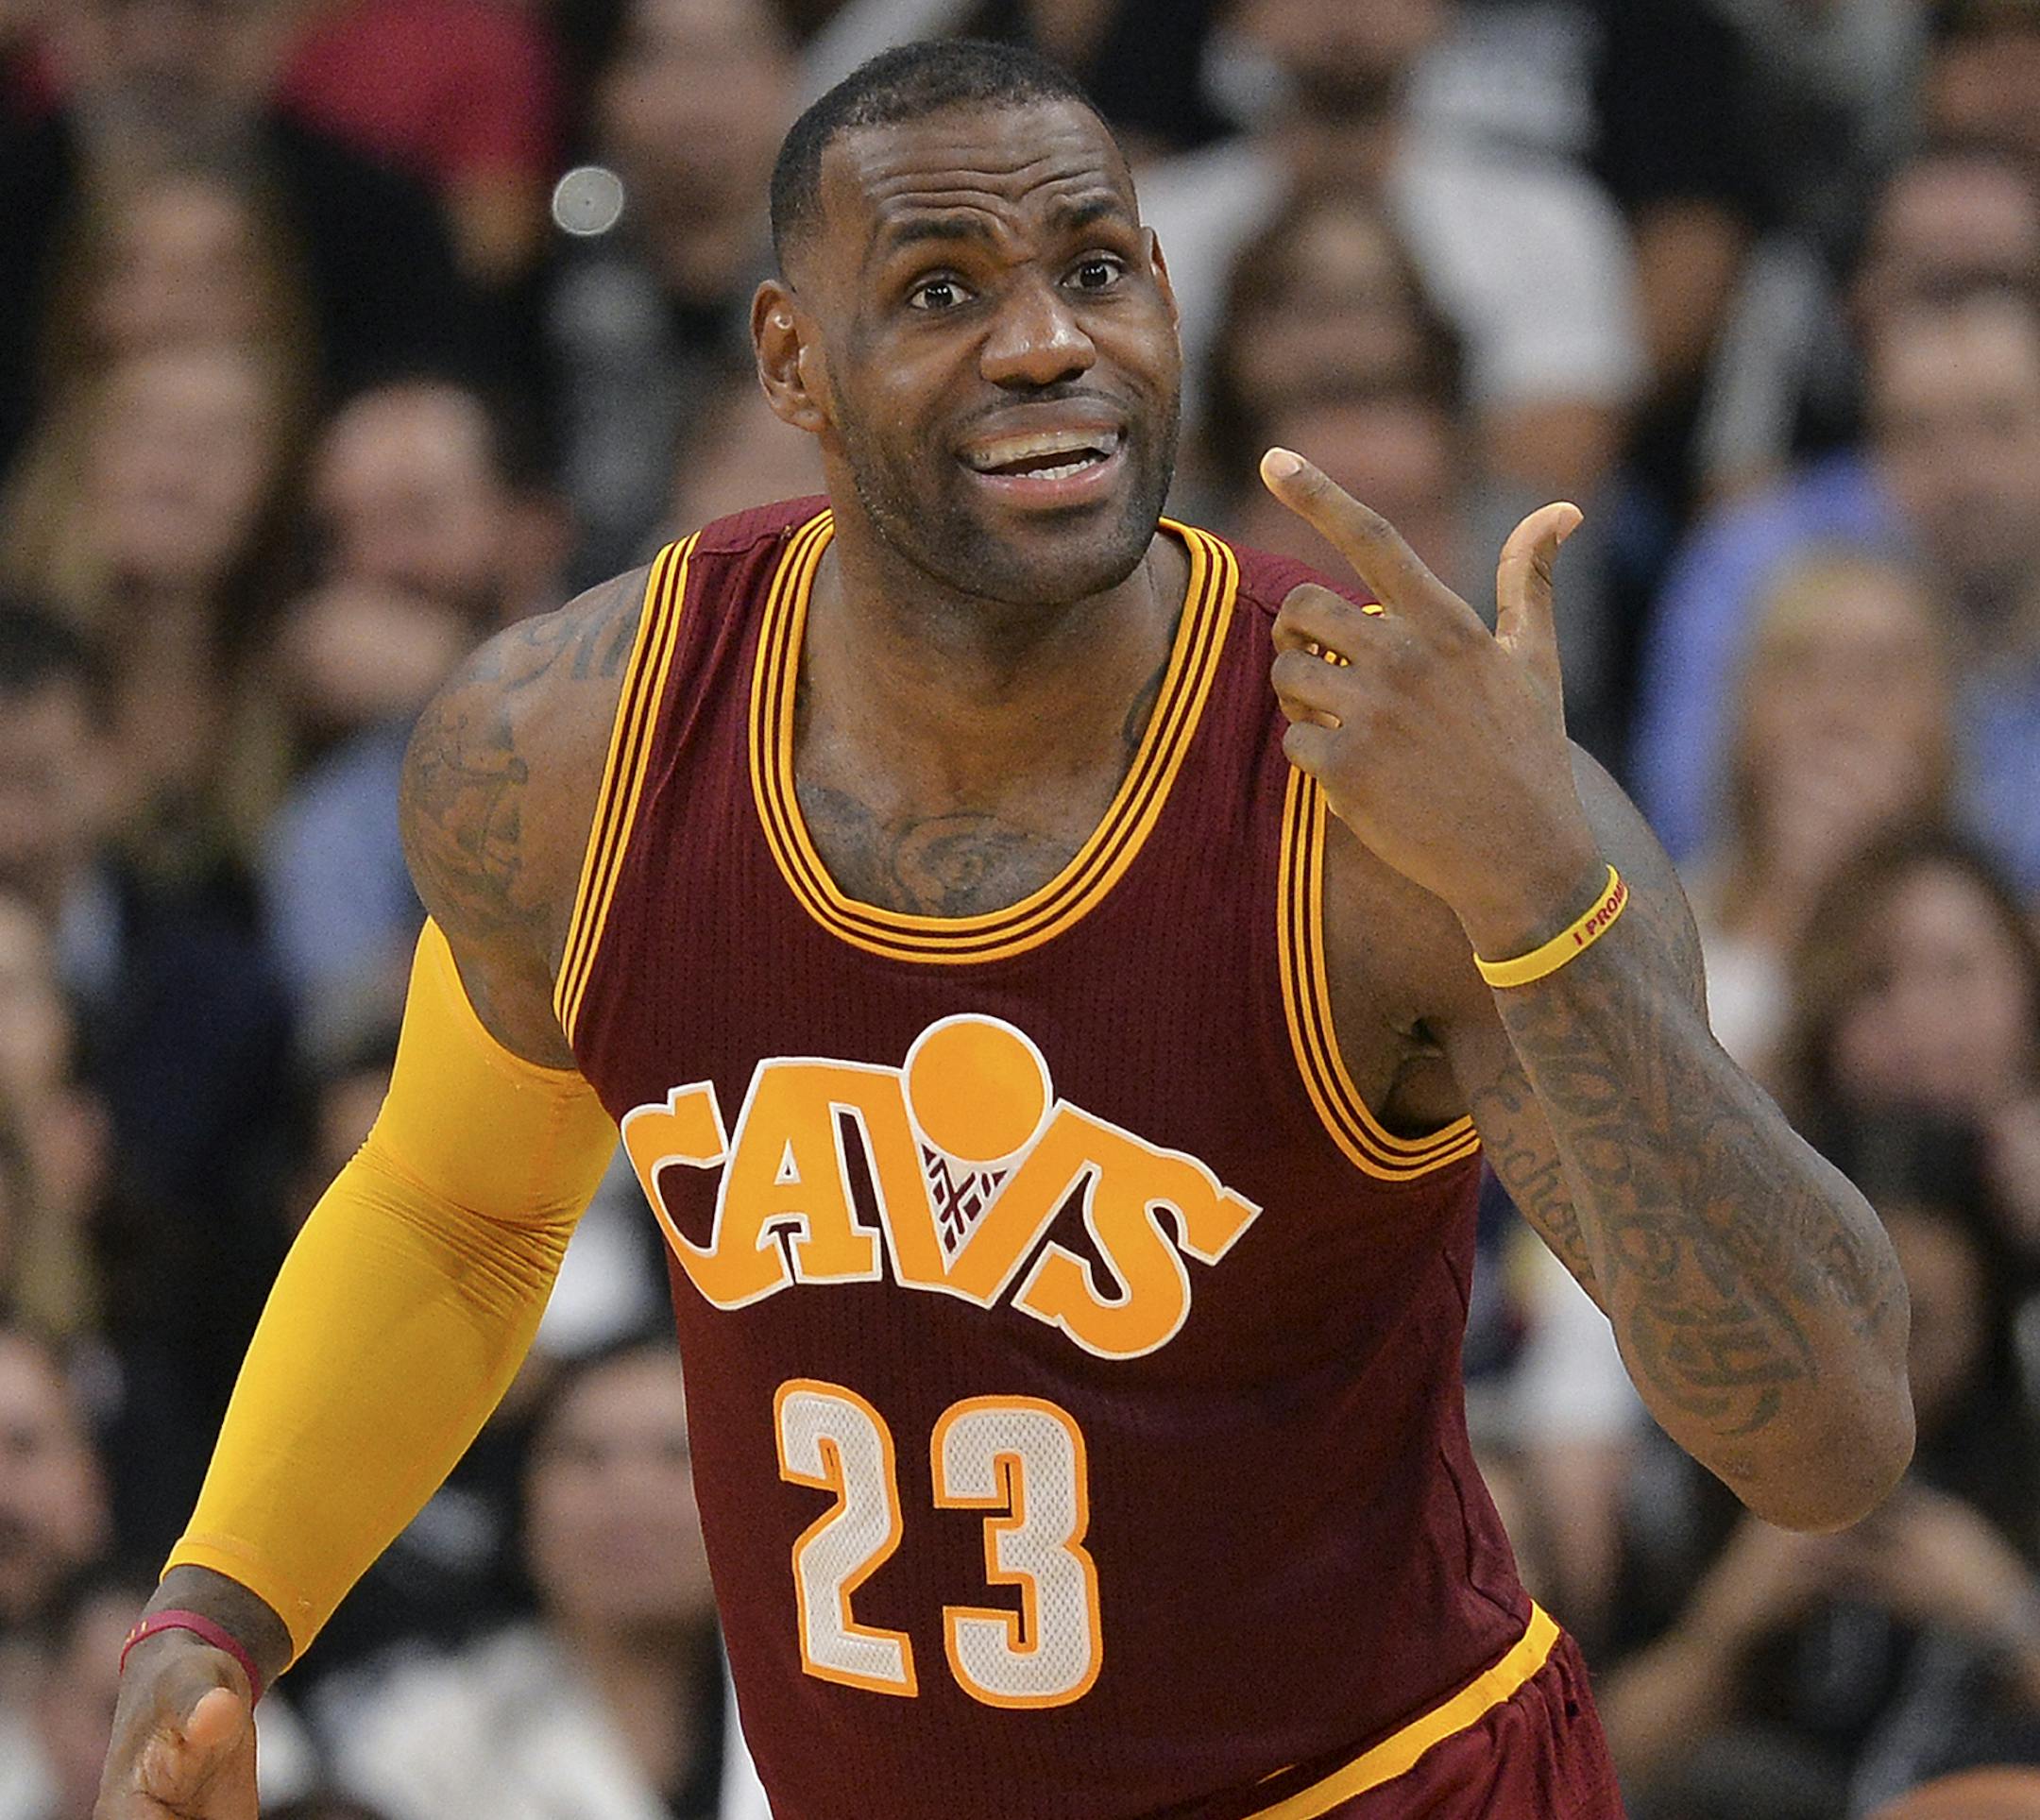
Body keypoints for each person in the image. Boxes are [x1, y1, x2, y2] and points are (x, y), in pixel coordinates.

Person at [98, 41, 1912, 1820]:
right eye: (945, 286)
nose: (1049, 341)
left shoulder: (1396, 797)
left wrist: (1539, 901)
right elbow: (461, 1207)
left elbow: (1829, 1439)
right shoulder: (572, 751)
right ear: (792, 361)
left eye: (1098, 268)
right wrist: (225, 1602)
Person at [321, 1338, 769, 1820]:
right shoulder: (424, 1739)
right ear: (523, 1504)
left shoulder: (824, 1717)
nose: (630, 1492)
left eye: (678, 1454)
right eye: (588, 1456)